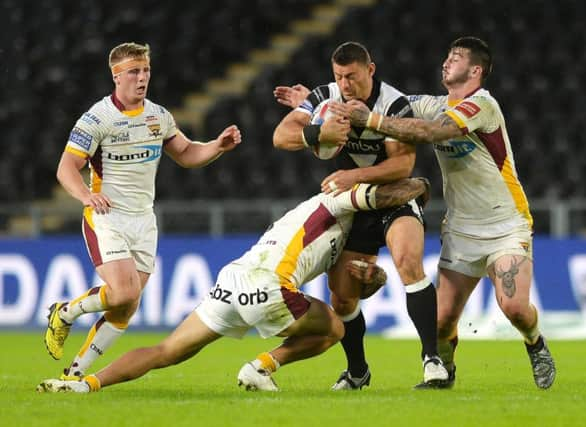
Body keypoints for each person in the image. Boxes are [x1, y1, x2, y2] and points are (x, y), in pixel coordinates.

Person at [37, 177, 430, 393]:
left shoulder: (345, 238)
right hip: (268, 286)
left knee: (168, 350)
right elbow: (387, 193)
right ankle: (261, 367)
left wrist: (375, 278)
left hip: (233, 277)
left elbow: (349, 287)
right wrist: (421, 187)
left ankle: (86, 384)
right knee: (333, 329)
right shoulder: (340, 201)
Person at [329, 36, 556, 389]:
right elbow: (395, 104)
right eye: (447, 55)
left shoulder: (482, 105)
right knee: (441, 323)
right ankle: (445, 374)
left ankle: (535, 342)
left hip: (505, 224)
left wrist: (371, 119)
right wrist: (311, 100)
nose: (446, 61)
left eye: (456, 57)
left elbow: (429, 131)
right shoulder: (432, 104)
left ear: (475, 70)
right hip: (461, 229)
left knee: (513, 308)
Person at [43, 42, 242, 381]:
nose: (142, 77)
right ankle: (64, 312)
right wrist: (85, 197)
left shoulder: (158, 116)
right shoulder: (97, 118)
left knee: (126, 306)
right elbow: (66, 168)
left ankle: (74, 375)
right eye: (134, 71)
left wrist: (217, 147)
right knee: (124, 292)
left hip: (143, 221)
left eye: (146, 70)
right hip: (107, 217)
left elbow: (187, 153)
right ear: (116, 76)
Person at [273, 41, 447, 390]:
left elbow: (403, 163)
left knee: (409, 263)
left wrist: (353, 176)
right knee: (341, 293)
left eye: (351, 76)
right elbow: (281, 136)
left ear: (371, 69)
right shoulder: (325, 97)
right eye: (339, 76)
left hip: (392, 197)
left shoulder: (393, 104)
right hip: (352, 207)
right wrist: (317, 132)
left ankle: (432, 360)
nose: (345, 84)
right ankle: (357, 372)